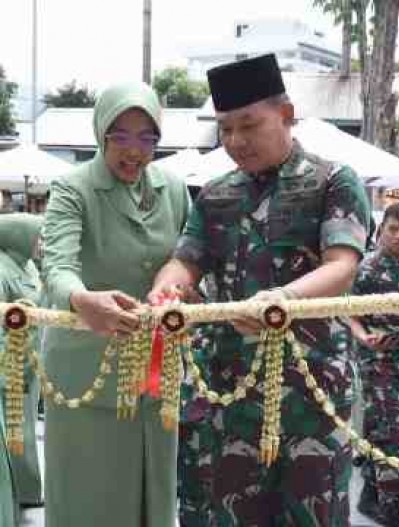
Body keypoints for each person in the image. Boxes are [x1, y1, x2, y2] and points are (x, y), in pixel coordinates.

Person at [151, 54, 371, 527]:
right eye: (226, 129)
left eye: (248, 125)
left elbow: (342, 267)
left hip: (309, 393)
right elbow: (185, 262)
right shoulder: (214, 194)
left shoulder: (333, 181)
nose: (236, 141)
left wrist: (281, 300)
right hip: (230, 393)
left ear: (286, 115)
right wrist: (167, 288)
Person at [41, 82, 190, 527]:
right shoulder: (72, 189)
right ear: (100, 133)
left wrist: (182, 293)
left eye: (148, 138)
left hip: (156, 376)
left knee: (153, 495)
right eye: (120, 136)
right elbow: (57, 265)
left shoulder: (175, 189)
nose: (134, 150)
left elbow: (186, 262)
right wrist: (82, 299)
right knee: (90, 501)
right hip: (85, 380)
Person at [349, 202, 399, 526]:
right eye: (392, 229)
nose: (397, 236)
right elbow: (349, 312)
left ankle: (370, 495)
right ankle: (394, 511)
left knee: (388, 433)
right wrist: (364, 336)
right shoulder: (365, 269)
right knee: (392, 435)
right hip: (376, 363)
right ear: (381, 230)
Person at [0, 214, 44, 513]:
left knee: (27, 429)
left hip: (32, 361)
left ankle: (28, 490)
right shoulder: (2, 270)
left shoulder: (28, 266)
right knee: (15, 431)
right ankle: (17, 494)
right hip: (10, 365)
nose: (40, 243)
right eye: (36, 236)